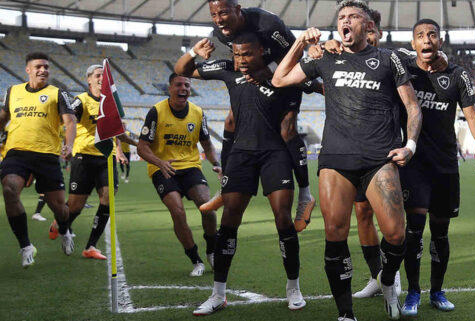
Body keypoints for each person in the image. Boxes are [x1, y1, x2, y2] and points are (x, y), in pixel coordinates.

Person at [272, 1, 422, 319]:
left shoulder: (388, 58)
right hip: (336, 160)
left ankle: (388, 278)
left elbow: (412, 107)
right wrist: (300, 42)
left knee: (396, 235)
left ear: (368, 26)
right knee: (335, 233)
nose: (346, 21)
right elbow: (279, 79)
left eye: (353, 16)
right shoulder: (327, 57)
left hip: (380, 158)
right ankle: (345, 313)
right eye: (341, 17)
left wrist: (409, 145)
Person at [175, 33, 307, 315]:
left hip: (275, 154)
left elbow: (291, 129)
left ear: (262, 51)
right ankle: (218, 294)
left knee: (283, 218)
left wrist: (305, 185)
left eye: (246, 54)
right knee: (229, 220)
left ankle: (293, 287)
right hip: (242, 154)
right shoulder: (228, 69)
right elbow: (182, 70)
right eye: (236, 54)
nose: (241, 60)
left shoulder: (282, 77)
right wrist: (194, 51)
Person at [394, 19, 475, 316]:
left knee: (440, 233)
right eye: (420, 36)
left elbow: (471, 115)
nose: (427, 39)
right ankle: (412, 292)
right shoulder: (403, 71)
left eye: (432, 35)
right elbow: (381, 53)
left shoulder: (457, 74)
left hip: (446, 165)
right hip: (414, 163)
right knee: (414, 230)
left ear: (440, 41)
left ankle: (437, 291)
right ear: (413, 44)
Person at [199, 0, 316, 232]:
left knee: (287, 128)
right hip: (255, 74)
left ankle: (305, 195)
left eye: (223, 13)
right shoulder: (221, 33)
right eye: (214, 14)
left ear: (237, 10)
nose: (219, 20)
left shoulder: (269, 24)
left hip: (286, 72)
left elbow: (295, 51)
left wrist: (269, 70)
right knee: (232, 120)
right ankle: (225, 187)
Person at [0, 52, 77, 268]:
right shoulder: (13, 92)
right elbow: (3, 117)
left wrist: (69, 144)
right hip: (17, 153)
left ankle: (64, 230)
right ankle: (26, 246)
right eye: (39, 66)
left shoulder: (58, 93)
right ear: (28, 70)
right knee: (9, 190)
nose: (43, 70)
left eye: (46, 67)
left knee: (59, 207)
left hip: (47, 155)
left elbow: (70, 122)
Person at [48, 64, 135, 260]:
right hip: (84, 156)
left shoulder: (111, 103)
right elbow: (69, 122)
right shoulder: (81, 101)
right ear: (89, 80)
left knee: (108, 198)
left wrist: (125, 148)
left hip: (106, 157)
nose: (101, 79)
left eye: (103, 76)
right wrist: (67, 145)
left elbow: (117, 133)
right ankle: (61, 222)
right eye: (97, 75)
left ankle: (90, 246)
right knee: (76, 206)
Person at [137, 73, 220, 276]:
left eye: (187, 85)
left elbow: (207, 144)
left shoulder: (198, 113)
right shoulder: (156, 111)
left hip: (190, 166)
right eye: (178, 85)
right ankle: (196, 260)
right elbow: (142, 147)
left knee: (208, 207)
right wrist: (159, 162)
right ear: (170, 88)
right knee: (178, 212)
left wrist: (217, 164)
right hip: (162, 168)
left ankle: (211, 250)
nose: (183, 88)